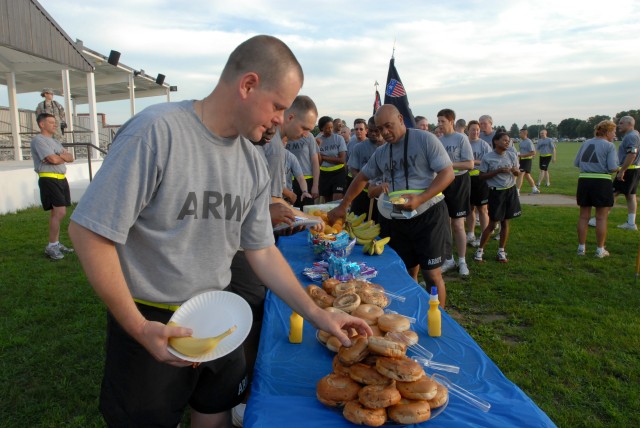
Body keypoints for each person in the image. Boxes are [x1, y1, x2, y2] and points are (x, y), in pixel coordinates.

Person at [68, 35, 371, 428]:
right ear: (247, 85)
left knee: (214, 412)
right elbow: (90, 233)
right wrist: (138, 327)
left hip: (220, 313)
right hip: (150, 316)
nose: (282, 118)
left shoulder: (252, 162)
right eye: (278, 105)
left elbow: (261, 251)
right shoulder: (157, 132)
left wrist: (318, 314)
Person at [328, 104, 454, 307]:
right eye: (379, 129)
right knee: (406, 269)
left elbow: (447, 173)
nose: (385, 133)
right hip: (397, 218)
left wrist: (421, 198)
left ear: (401, 120)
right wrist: (344, 205)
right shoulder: (382, 152)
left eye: (389, 126)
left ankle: (438, 319)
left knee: (431, 273)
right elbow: (361, 178)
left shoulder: (425, 139)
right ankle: (413, 308)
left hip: (428, 214)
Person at [30, 113, 75, 260]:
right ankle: (51, 246)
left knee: (57, 213)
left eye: (55, 122)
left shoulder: (55, 141)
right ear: (42, 124)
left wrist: (59, 157)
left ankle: (55, 243)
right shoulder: (39, 140)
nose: (55, 125)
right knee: (60, 212)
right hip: (49, 179)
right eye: (51, 122)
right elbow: (51, 159)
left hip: (61, 179)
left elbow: (70, 157)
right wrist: (60, 157)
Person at [436, 109, 474, 277]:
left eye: (442, 121)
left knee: (458, 224)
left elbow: (470, 165)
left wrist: (448, 165)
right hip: (443, 182)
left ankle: (462, 260)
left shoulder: (461, 138)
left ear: (451, 121)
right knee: (444, 223)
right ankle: (448, 259)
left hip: (459, 182)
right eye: (438, 121)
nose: (439, 125)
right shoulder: (438, 140)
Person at [474, 131, 521, 263]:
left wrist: (514, 171)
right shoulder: (488, 157)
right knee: (493, 224)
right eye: (505, 140)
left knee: (505, 222)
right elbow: (481, 176)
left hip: (510, 191)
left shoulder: (512, 155)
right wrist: (498, 171)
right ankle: (480, 250)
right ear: (496, 142)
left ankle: (501, 251)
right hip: (496, 193)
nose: (508, 142)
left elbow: (517, 172)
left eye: (509, 140)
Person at [574, 120, 618, 258]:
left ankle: (581, 248)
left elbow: (576, 162)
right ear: (607, 132)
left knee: (583, 216)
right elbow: (612, 167)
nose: (615, 134)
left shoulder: (585, 142)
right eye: (613, 131)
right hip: (601, 182)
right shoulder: (609, 146)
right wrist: (621, 168)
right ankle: (600, 250)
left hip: (584, 180)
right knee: (601, 218)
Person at [348, 116, 385, 221]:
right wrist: (365, 183)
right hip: (362, 192)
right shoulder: (359, 147)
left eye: (377, 131)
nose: (373, 134)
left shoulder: (389, 147)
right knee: (356, 221)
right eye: (371, 130)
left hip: (382, 195)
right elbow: (353, 169)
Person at [465, 120, 492, 248]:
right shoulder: (464, 143)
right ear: (467, 130)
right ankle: (470, 234)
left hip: (480, 179)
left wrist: (472, 162)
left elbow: (489, 162)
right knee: (469, 208)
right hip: (466, 179)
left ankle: (483, 234)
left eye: (477, 130)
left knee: (482, 209)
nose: (475, 132)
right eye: (473, 129)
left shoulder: (484, 145)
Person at [612, 116, 640, 230]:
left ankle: (599, 218)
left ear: (629, 124)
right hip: (634, 169)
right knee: (631, 195)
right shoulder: (633, 135)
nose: (619, 125)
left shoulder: (631, 136)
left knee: (612, 193)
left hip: (629, 169)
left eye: (621, 123)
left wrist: (622, 170)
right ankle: (631, 223)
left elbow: (632, 154)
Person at [317, 115, 348, 202]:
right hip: (324, 174)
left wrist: (324, 157)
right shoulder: (317, 140)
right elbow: (318, 162)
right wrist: (317, 147)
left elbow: (342, 160)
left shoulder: (339, 139)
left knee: (336, 201)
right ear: (321, 128)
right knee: (328, 202)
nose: (330, 130)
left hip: (338, 173)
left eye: (331, 127)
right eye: (327, 128)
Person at [285, 132, 320, 209]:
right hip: (287, 181)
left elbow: (315, 161)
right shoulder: (284, 135)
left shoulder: (308, 136)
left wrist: (315, 185)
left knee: (307, 211)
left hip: (306, 180)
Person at [516, 128, 541, 195]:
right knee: (527, 175)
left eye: (520, 133)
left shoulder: (528, 141)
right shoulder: (521, 142)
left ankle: (517, 191)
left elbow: (533, 152)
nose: (519, 134)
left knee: (520, 174)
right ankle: (535, 189)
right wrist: (519, 154)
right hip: (522, 160)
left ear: (525, 133)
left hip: (527, 160)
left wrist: (522, 155)